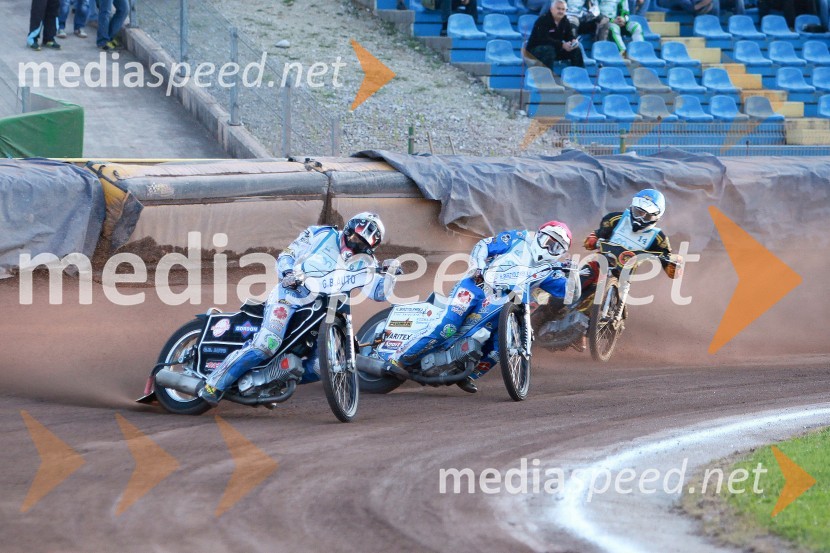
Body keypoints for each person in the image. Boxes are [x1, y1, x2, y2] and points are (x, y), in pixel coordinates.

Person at [198, 213, 398, 405]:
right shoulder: (321, 234)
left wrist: (390, 274)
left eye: (362, 244)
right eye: (354, 237)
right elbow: (288, 253)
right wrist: (287, 273)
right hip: (290, 296)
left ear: (370, 248)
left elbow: (378, 293)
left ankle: (270, 381)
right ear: (347, 229)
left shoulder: (365, 262)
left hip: (325, 311)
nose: (355, 244)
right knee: (267, 344)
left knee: (322, 367)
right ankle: (213, 384)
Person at [386, 221, 575, 394]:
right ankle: (400, 358)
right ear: (539, 234)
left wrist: (574, 274)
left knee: (498, 348)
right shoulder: (519, 238)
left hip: (508, 303)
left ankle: (466, 373)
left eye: (557, 247)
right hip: (476, 286)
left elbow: (569, 293)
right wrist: (477, 266)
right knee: (448, 327)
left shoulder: (551, 270)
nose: (550, 248)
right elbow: (484, 245)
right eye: (548, 240)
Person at [581, 189, 682, 300]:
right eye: (638, 212)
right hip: (600, 262)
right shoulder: (616, 219)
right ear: (632, 207)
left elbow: (667, 257)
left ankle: (615, 312)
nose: (640, 219)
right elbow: (597, 234)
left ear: (656, 217)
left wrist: (672, 265)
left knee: (620, 294)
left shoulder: (658, 238)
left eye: (646, 216)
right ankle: (563, 302)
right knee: (582, 279)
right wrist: (593, 240)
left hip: (624, 274)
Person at [527, 0, 585, 69]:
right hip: (535, 51)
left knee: (576, 50)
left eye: (563, 9)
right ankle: (548, 77)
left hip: (554, 50)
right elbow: (543, 39)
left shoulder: (565, 21)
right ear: (551, 9)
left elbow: (569, 35)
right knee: (549, 50)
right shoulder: (543, 20)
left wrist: (573, 41)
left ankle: (578, 77)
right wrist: (562, 45)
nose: (561, 11)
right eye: (558, 8)